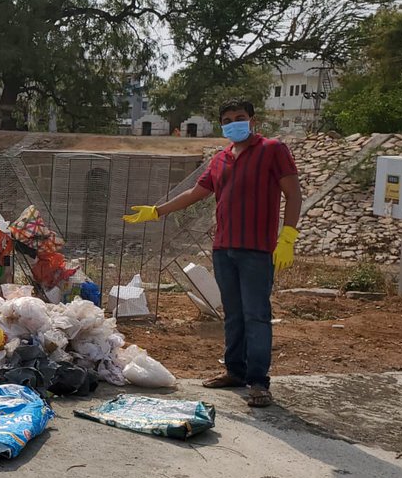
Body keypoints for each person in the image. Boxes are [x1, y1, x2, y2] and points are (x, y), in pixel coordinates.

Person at [123, 100, 302, 407]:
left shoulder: (273, 150)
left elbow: (294, 192)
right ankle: (235, 371)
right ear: (222, 125)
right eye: (228, 120)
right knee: (233, 314)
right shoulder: (220, 159)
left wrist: (288, 235)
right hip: (224, 248)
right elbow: (196, 193)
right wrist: (157, 211)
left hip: (258, 250)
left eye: (240, 118)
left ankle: (258, 382)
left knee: (256, 316)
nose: (235, 123)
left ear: (252, 121)